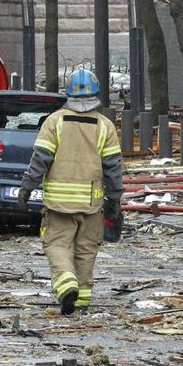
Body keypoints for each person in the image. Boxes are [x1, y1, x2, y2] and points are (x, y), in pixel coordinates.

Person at [18, 68, 123, 315]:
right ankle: (83, 301)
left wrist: (26, 188)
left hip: (59, 206)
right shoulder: (105, 126)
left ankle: (66, 284)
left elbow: (40, 160)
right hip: (92, 205)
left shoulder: (54, 122)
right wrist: (115, 198)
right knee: (86, 251)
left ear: (68, 92)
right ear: (97, 93)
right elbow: (113, 168)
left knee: (57, 245)